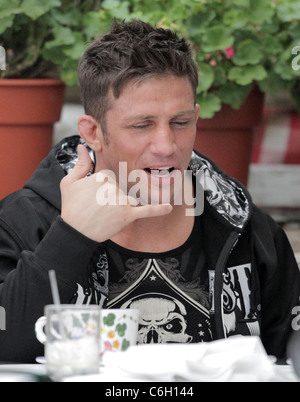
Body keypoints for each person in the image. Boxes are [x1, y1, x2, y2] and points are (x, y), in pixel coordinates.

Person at [0, 20, 299, 363]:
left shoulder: (249, 230)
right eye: (142, 125)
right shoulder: (23, 222)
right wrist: (71, 236)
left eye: (180, 122)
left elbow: (291, 360)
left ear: (196, 118)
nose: (166, 145)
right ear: (93, 132)